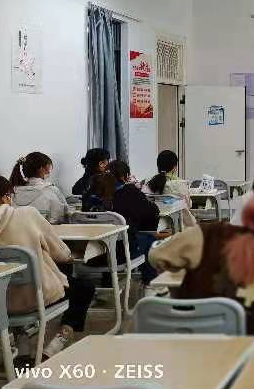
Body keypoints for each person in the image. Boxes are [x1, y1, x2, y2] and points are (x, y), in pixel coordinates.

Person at [150, 183, 254, 335]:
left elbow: (156, 257)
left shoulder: (208, 235)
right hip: (252, 352)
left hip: (195, 344)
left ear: (247, 211)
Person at [0, 176, 95, 359]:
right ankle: (59, 340)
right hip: (35, 297)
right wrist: (68, 256)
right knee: (84, 287)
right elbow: (60, 252)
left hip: (2, 302)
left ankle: (22, 342)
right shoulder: (26, 214)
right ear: (6, 196)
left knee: (11, 284)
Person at [105, 160, 160, 286]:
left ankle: (107, 281)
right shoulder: (129, 192)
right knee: (150, 240)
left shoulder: (96, 192)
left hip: (98, 253)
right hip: (122, 252)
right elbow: (152, 211)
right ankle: (150, 284)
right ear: (125, 176)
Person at [11, 152, 69, 224]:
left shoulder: (13, 192)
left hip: (18, 234)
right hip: (44, 233)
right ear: (41, 169)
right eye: (49, 168)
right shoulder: (51, 191)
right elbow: (61, 217)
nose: (49, 172)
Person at [146, 149, 197, 228]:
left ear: (158, 166)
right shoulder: (179, 183)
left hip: (154, 219)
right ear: (174, 167)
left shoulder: (149, 182)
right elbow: (189, 204)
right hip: (179, 221)